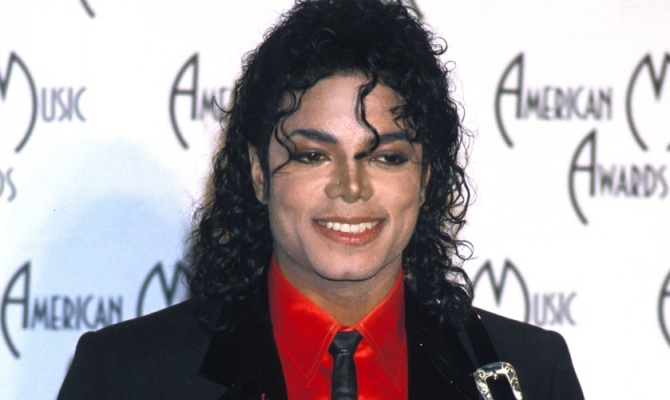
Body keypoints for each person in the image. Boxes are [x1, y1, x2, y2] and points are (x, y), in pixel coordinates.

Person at [58, 0, 584, 399]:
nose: (350, 188)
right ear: (259, 173)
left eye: (386, 157)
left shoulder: (533, 374)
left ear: (426, 179)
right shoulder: (125, 376)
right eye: (312, 155)